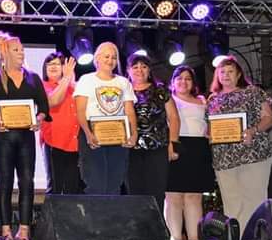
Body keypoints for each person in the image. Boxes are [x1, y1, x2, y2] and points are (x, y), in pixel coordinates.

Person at [0, 32, 50, 240]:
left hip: (26, 138)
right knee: (5, 182)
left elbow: (44, 106)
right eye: (16, 50)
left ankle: (24, 231)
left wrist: (39, 118)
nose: (21, 53)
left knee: (27, 181)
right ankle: (6, 231)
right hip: (3, 139)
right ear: (5, 53)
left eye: (22, 49)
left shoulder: (33, 77)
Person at [206, 57, 272, 237]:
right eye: (222, 72)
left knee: (254, 200)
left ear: (238, 74)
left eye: (230, 71)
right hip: (223, 159)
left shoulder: (253, 92)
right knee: (231, 203)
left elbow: (269, 118)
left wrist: (253, 130)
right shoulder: (213, 99)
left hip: (254, 154)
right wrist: (210, 133)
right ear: (217, 76)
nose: (226, 75)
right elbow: (209, 126)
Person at [74, 42, 137, 195]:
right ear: (97, 59)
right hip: (93, 133)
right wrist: (88, 133)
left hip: (118, 134)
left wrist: (134, 133)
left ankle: (112, 211)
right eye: (106, 57)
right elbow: (80, 110)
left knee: (115, 182)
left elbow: (129, 110)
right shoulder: (86, 80)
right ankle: (95, 212)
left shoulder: (123, 82)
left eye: (114, 57)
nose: (110, 60)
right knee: (95, 182)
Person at [165, 65, 214, 240]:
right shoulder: (168, 99)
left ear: (193, 83)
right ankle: (176, 239)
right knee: (173, 196)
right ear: (173, 82)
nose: (183, 82)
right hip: (176, 145)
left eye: (187, 78)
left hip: (198, 148)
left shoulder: (202, 100)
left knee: (194, 196)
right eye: (179, 78)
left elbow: (210, 124)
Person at [126, 53, 180, 212]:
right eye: (135, 67)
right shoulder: (123, 91)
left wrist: (173, 143)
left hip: (158, 148)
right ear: (128, 70)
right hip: (130, 150)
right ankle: (137, 226)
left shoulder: (160, 90)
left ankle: (156, 226)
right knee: (134, 193)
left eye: (144, 67)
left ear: (149, 70)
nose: (139, 70)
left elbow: (174, 118)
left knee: (156, 192)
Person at [40, 52, 81, 194]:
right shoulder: (42, 86)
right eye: (49, 64)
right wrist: (66, 78)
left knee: (73, 189)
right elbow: (53, 101)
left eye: (57, 64)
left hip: (75, 143)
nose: (53, 66)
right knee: (55, 188)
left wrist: (70, 81)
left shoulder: (74, 87)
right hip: (54, 142)